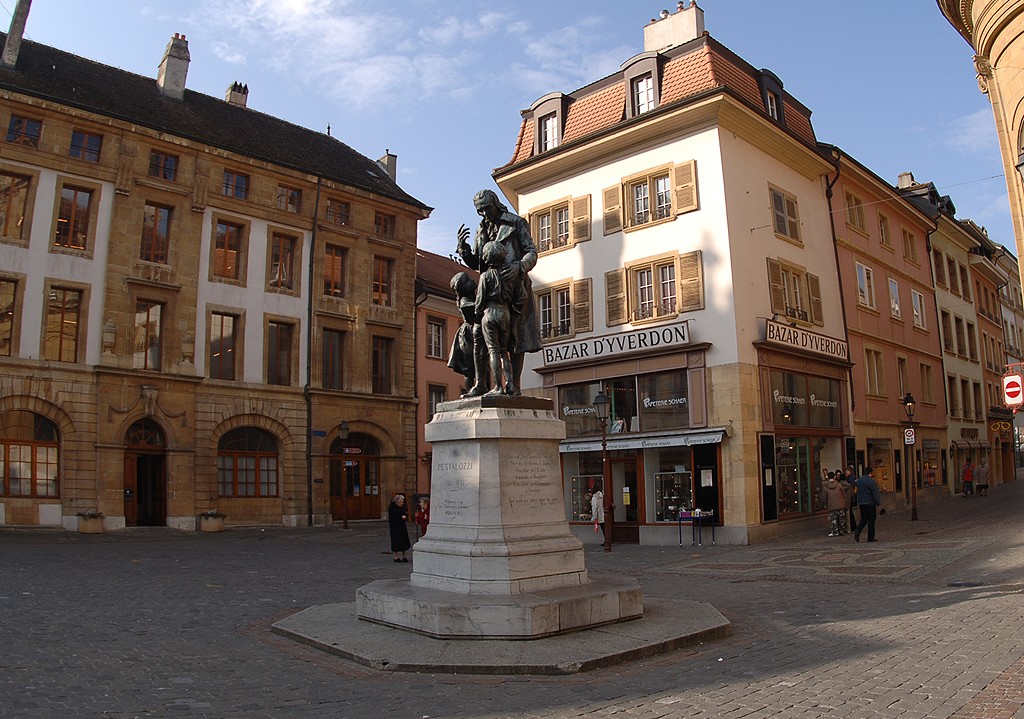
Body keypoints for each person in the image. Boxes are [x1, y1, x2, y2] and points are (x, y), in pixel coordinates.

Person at [456, 189, 541, 396]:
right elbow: (479, 262)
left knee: (516, 340)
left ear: (495, 203)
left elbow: (532, 251)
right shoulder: (481, 229)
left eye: (486, 208)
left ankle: (515, 385)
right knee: (479, 335)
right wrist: (464, 250)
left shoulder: (515, 222)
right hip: (492, 291)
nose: (483, 213)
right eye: (479, 210)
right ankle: (481, 384)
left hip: (516, 288)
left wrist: (520, 266)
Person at [473, 240, 518, 396]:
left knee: (493, 350)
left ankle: (498, 387)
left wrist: (478, 313)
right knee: (504, 352)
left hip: (490, 312)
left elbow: (480, 300)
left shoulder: (486, 276)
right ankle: (510, 385)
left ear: (486, 257)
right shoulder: (509, 275)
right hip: (505, 313)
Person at [446, 271, 483, 395]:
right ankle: (471, 391)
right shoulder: (465, 302)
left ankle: (482, 389)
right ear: (462, 288)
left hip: (475, 333)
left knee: (482, 366)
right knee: (470, 368)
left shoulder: (471, 297)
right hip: (468, 336)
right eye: (467, 281)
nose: (472, 280)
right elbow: (476, 311)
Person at [853, 466, 882, 543]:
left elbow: (856, 491)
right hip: (870, 503)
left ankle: (857, 530)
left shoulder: (858, 481)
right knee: (871, 520)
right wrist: (878, 502)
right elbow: (874, 492)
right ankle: (870, 537)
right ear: (870, 473)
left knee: (864, 519)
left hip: (862, 503)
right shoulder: (871, 481)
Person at [822, 471, 848, 536]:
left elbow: (824, 497)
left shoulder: (825, 486)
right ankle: (841, 531)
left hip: (831, 505)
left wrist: (824, 503)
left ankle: (835, 531)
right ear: (835, 477)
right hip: (840, 504)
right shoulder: (839, 485)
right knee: (841, 518)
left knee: (833, 519)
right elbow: (843, 494)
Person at [388, 493, 412, 562]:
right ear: (397, 501)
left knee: (403, 541)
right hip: (395, 527)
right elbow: (392, 517)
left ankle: (404, 556)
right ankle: (396, 557)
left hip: (402, 526)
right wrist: (400, 517)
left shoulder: (400, 507)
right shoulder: (392, 507)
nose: (403, 503)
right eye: (401, 502)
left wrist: (404, 516)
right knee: (396, 541)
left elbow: (403, 513)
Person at [844, 466, 858, 530]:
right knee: (850, 512)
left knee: (849, 512)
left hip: (849, 497)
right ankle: (853, 526)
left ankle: (852, 526)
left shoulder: (850, 478)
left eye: (847, 473)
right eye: (845, 473)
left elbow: (851, 487)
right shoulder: (853, 478)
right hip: (852, 497)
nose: (846, 474)